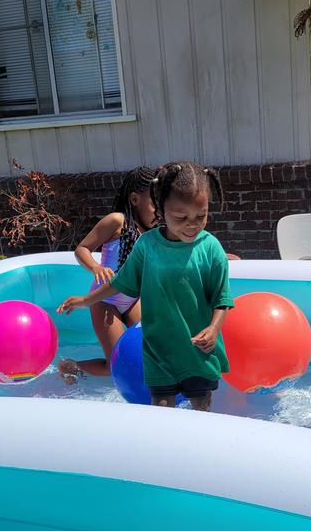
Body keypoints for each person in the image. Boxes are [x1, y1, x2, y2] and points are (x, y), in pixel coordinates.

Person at [58, 162, 233, 411]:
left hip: (196, 351)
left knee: (201, 406)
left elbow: (221, 297)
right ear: (161, 208)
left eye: (201, 216)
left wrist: (214, 329)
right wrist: (85, 300)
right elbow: (121, 283)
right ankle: (72, 367)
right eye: (181, 217)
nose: (192, 224)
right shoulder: (147, 244)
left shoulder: (211, 247)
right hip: (157, 350)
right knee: (156, 405)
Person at [57, 166, 157, 382]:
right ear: (134, 199)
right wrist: (96, 267)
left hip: (131, 301)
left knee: (154, 349)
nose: (158, 211)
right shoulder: (116, 221)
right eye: (153, 204)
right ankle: (70, 367)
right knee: (115, 366)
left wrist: (219, 256)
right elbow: (81, 249)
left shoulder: (154, 233)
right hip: (105, 300)